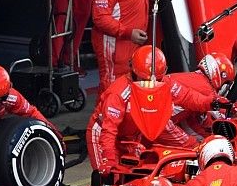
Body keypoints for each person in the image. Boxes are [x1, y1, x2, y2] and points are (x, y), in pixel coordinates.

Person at [87, 46, 225, 176]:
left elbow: (187, 97)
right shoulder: (118, 94)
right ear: (134, 72)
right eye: (146, 80)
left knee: (135, 177)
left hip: (132, 137)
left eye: (157, 80)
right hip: (103, 134)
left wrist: (211, 103)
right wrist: (108, 158)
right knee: (108, 176)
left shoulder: (163, 82)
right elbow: (109, 129)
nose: (152, 85)